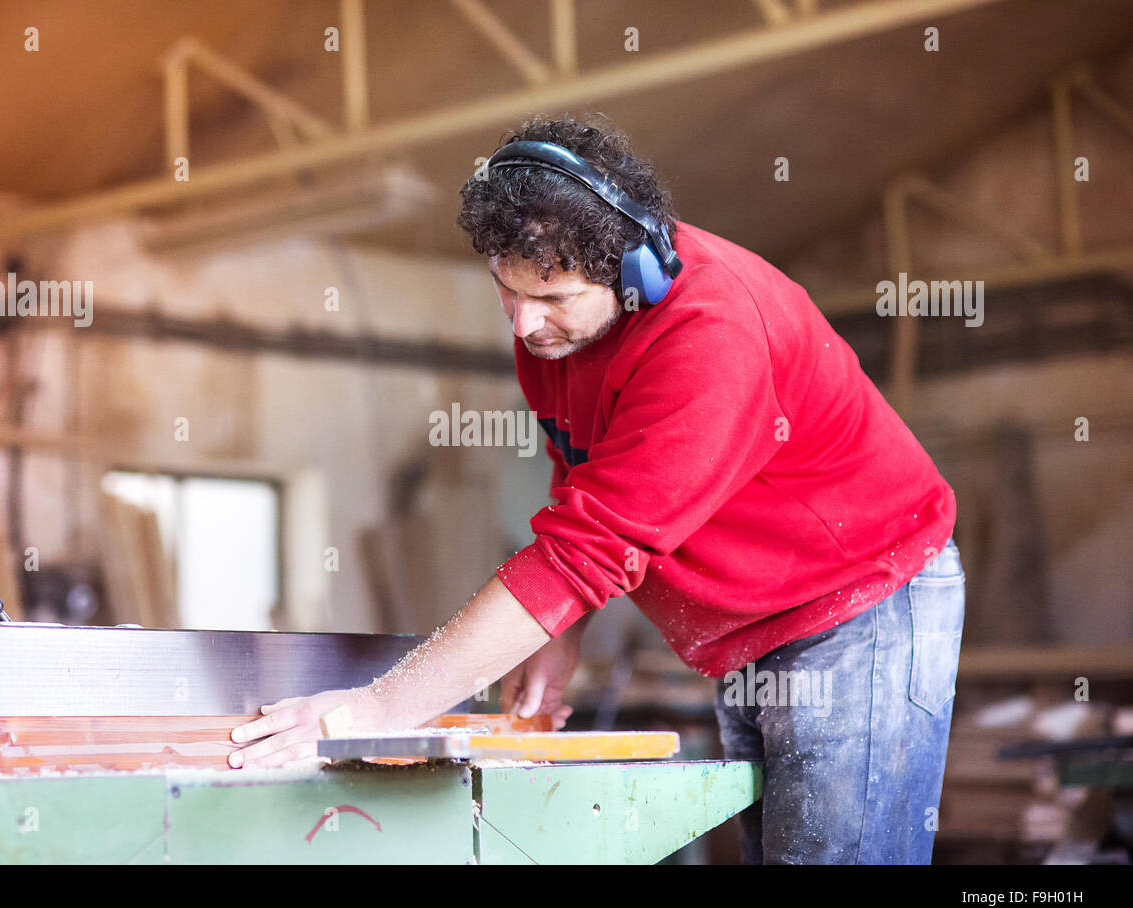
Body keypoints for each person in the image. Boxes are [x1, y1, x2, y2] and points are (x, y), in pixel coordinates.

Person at [229, 113, 964, 865]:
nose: (524, 325)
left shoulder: (713, 338)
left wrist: (374, 708)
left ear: (632, 269)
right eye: (505, 291)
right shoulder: (554, 336)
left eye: (552, 297)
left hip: (862, 600)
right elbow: (581, 477)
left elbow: (589, 549)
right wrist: (559, 631)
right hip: (759, 627)